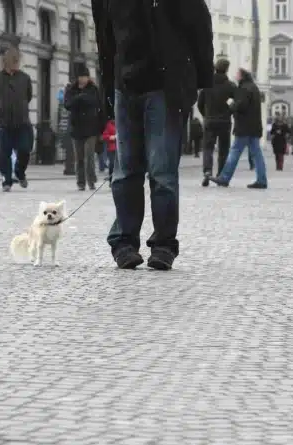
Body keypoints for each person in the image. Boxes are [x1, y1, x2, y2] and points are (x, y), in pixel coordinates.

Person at [92, 0, 214, 270]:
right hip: (124, 86)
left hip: (165, 86)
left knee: (162, 171)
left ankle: (163, 246)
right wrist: (107, 91)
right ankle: (123, 243)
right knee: (125, 172)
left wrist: (201, 81)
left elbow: (200, 26)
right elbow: (105, 40)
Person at [209, 69, 267, 189]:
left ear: (241, 76)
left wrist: (230, 105)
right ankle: (262, 180)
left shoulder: (244, 89)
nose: (235, 76)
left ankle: (224, 178)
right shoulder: (254, 87)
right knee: (257, 154)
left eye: (237, 74)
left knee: (234, 151)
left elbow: (241, 106)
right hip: (255, 126)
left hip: (244, 126)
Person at [0, 47, 33, 192]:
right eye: (13, 61)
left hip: (22, 121)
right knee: (4, 153)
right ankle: (7, 180)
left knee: (25, 149)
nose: (15, 64)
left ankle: (20, 172)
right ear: (6, 62)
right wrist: (1, 109)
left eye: (16, 61)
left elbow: (29, 96)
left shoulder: (25, 78)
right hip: (4, 122)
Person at [63, 62, 104, 191]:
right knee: (79, 158)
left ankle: (91, 180)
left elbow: (96, 103)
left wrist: (101, 128)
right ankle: (80, 182)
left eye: (84, 76)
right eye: (80, 76)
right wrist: (80, 98)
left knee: (89, 156)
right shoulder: (71, 89)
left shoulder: (94, 89)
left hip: (91, 128)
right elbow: (67, 104)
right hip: (76, 128)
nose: (82, 79)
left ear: (88, 77)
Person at [197, 58, 236, 186]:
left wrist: (206, 115)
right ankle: (220, 175)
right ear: (227, 69)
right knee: (224, 149)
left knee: (207, 148)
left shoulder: (207, 84)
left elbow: (200, 103)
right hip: (225, 122)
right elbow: (236, 103)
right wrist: (229, 112)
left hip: (210, 121)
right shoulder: (230, 86)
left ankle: (207, 171)